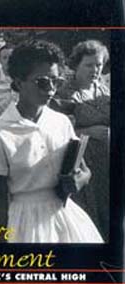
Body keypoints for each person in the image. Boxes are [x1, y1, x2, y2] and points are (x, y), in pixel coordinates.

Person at [0, 40, 103, 243]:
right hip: (22, 224)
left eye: (56, 81)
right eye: (43, 82)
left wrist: (78, 180)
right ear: (18, 83)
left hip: (64, 216)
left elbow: (85, 171)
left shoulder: (61, 122)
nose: (51, 89)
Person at [53, 40, 110, 241]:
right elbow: (57, 131)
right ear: (76, 65)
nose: (95, 69)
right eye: (89, 65)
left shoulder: (104, 91)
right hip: (82, 161)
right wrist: (89, 131)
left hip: (107, 160)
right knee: (86, 214)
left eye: (99, 64)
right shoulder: (64, 93)